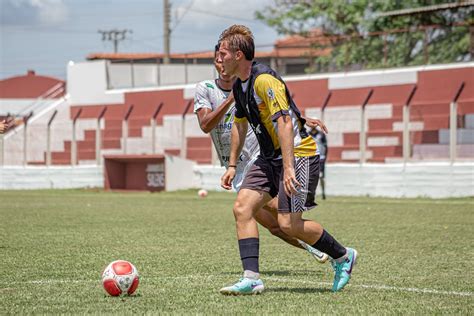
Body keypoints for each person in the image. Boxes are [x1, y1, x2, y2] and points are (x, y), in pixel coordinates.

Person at [218, 25, 357, 295]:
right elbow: (239, 125)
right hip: (269, 158)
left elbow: (283, 122)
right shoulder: (239, 86)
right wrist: (232, 165)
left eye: (222, 53)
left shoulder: (264, 80)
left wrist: (289, 167)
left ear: (238, 55)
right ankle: (252, 278)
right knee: (242, 208)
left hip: (299, 154)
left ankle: (343, 256)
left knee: (288, 224)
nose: (219, 59)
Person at [194, 44, 329, 263]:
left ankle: (321, 246)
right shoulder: (206, 88)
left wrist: (299, 118)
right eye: (217, 60)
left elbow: (274, 110)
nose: (221, 64)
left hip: (259, 156)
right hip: (235, 163)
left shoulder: (251, 82)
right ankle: (315, 247)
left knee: (271, 210)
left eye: (223, 58)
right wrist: (231, 100)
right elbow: (206, 124)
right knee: (273, 226)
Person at [310, 127, 328, 199]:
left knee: (320, 176)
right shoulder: (308, 134)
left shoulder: (321, 135)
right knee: (312, 177)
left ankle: (323, 192)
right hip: (311, 158)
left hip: (321, 158)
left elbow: (325, 146)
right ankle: (312, 193)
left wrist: (325, 157)